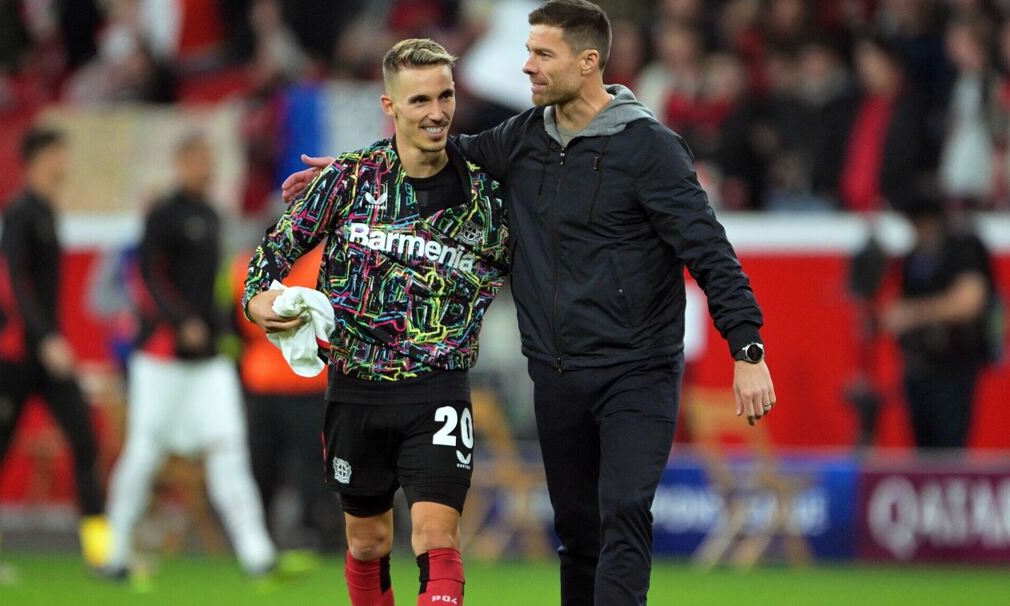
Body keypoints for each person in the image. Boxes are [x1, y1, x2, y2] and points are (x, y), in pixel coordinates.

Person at [282, 2, 776, 604]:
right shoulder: (524, 137)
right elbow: (441, 158)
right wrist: (353, 175)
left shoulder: (651, 150)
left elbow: (711, 254)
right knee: (576, 529)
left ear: (588, 62)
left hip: (636, 369)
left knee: (622, 510)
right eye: (528, 52)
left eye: (543, 54)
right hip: (557, 371)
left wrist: (747, 349)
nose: (527, 67)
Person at [245, 38, 510, 606]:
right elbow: (276, 248)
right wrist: (255, 299)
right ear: (390, 108)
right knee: (367, 542)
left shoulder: (489, 198)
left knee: (437, 535)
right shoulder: (349, 179)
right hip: (355, 389)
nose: (436, 112)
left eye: (445, 96)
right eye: (419, 101)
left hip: (438, 387)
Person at [103, 133, 282, 582]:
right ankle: (116, 550)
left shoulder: (212, 216)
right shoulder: (164, 214)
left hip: (208, 362)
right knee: (143, 453)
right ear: (180, 163)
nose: (208, 169)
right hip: (161, 358)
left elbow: (218, 286)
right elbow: (145, 276)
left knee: (229, 449)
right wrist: (179, 320)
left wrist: (227, 334)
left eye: (210, 160)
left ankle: (256, 553)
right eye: (200, 160)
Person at [0, 128, 110, 579]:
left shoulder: (46, 211)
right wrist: (46, 337)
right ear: (39, 159)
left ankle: (102, 556)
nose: (64, 163)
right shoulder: (20, 212)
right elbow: (9, 281)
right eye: (59, 155)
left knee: (85, 437)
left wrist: (50, 338)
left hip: (46, 355)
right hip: (16, 355)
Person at [229, 243, 342, 551]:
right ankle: (287, 533)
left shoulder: (247, 265)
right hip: (285, 380)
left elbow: (232, 325)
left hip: (287, 381)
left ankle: (297, 531)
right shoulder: (325, 260)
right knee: (278, 464)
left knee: (297, 465)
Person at [883, 196, 998, 449]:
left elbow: (969, 301)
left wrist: (913, 314)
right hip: (918, 365)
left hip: (954, 365)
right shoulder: (913, 257)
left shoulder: (963, 248)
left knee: (950, 443)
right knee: (923, 445)